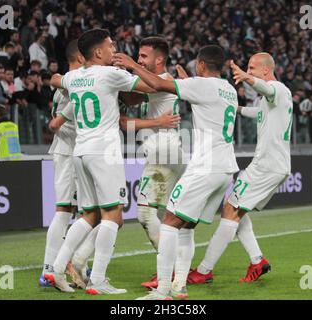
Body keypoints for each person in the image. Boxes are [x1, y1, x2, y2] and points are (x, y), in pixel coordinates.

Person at [113, 44, 240, 300]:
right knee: (185, 227)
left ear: (202, 64)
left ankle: (162, 290)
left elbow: (160, 86)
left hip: (205, 166)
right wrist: (186, 82)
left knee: (169, 222)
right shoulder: (228, 89)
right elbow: (202, 97)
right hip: (226, 168)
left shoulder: (200, 85)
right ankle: (179, 285)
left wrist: (132, 65)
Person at [68, 36, 187, 293]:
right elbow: (133, 101)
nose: (139, 59)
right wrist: (114, 79)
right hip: (159, 155)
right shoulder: (153, 83)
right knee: (121, 216)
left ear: (159, 59)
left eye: (144, 56)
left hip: (165, 155)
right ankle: (78, 262)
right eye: (139, 55)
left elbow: (126, 120)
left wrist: (130, 67)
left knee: (142, 213)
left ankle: (171, 269)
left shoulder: (164, 82)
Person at [46, 28, 154, 294]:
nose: (114, 49)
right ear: (98, 52)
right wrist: (132, 66)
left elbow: (57, 79)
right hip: (104, 153)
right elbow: (149, 87)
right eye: (110, 45)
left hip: (80, 152)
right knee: (112, 215)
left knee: (88, 214)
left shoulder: (73, 78)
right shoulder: (110, 74)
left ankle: (56, 270)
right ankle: (98, 281)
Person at [187, 53, 293, 284]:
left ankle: (204, 271)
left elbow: (268, 90)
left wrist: (247, 79)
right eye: (248, 68)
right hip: (272, 164)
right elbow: (260, 113)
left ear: (266, 70)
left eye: (252, 67)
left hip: (266, 165)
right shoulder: (273, 100)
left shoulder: (278, 89)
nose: (249, 70)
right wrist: (235, 108)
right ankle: (257, 261)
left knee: (230, 210)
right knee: (237, 209)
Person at [38, 40, 84, 288]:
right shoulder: (73, 82)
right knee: (65, 211)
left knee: (82, 212)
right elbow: (57, 121)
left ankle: (76, 265)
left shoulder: (67, 80)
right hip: (68, 151)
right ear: (80, 56)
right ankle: (48, 270)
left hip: (76, 151)